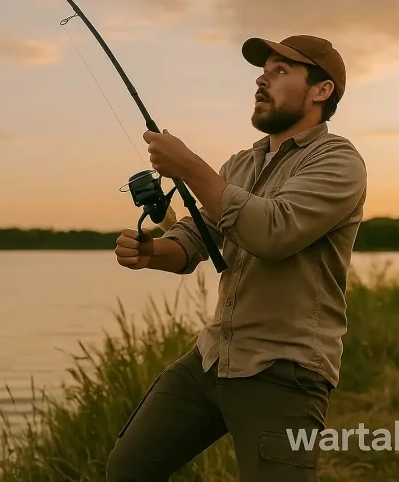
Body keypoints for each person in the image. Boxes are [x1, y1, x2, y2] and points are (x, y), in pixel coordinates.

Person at [107, 35, 368, 481]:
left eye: (280, 71)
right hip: (212, 359)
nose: (262, 79)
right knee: (127, 470)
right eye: (263, 70)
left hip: (284, 372)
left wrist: (189, 167)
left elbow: (273, 231)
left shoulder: (338, 161)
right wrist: (150, 252)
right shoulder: (239, 166)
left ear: (321, 91)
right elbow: (190, 242)